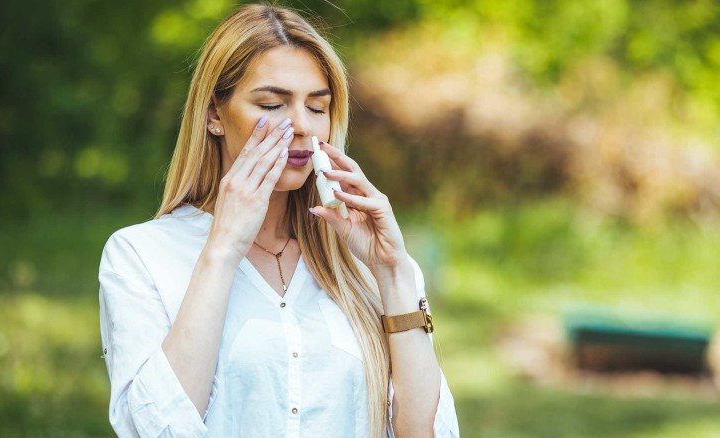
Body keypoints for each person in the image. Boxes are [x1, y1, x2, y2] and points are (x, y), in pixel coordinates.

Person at [97, 4, 459, 437]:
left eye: (318, 107)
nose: (302, 126)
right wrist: (224, 248)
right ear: (215, 114)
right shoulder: (141, 256)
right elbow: (156, 429)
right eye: (272, 103)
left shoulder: (366, 265)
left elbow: (424, 433)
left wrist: (394, 273)